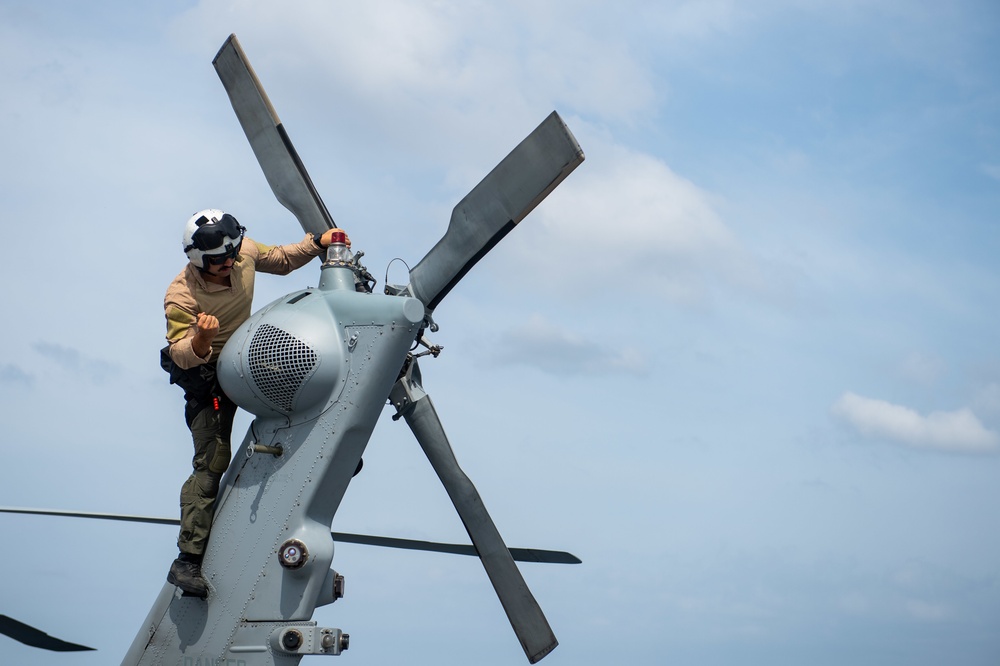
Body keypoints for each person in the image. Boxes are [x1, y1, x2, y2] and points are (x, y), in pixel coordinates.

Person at [161, 208, 348, 598]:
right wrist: (200, 340)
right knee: (211, 463)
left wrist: (317, 243)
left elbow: (279, 260)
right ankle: (187, 560)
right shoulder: (181, 295)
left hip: (247, 359)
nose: (228, 263)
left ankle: (333, 448)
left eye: (231, 255)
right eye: (218, 261)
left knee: (304, 384)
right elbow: (179, 351)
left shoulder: (241, 250)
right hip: (209, 377)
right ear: (198, 260)